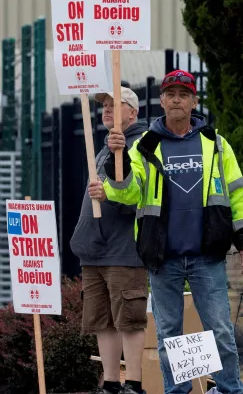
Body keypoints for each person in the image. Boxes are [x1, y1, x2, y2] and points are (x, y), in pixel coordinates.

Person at [90, 70, 243, 394]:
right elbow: (127, 194)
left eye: (184, 93)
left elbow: (237, 193)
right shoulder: (143, 146)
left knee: (220, 330)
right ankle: (177, 392)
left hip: (206, 255)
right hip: (162, 258)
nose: (177, 99)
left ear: (194, 101)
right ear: (162, 101)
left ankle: (229, 390)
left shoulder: (216, 145)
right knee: (168, 335)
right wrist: (116, 159)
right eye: (171, 94)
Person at [70, 87, 149, 394]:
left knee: (129, 318)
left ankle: (134, 384)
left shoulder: (141, 145)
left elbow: (139, 196)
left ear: (134, 112)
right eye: (104, 105)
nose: (106, 110)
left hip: (123, 248)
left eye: (116, 105)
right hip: (95, 249)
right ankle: (112, 383)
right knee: (102, 320)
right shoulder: (105, 147)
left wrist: (111, 194)